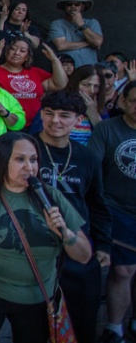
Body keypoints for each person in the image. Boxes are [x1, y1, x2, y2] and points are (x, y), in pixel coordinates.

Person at [0, 132, 91, 343]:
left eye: (33, 160)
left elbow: (84, 256)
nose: (29, 167)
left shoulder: (51, 197)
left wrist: (66, 234)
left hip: (36, 298)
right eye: (20, 159)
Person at [33, 91, 112, 343]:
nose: (55, 120)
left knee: (80, 323)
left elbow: (96, 202)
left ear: (78, 120)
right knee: (32, 326)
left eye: (64, 116)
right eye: (49, 113)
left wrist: (102, 244)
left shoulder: (87, 156)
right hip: (32, 246)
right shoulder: (24, 148)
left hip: (75, 245)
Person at [89, 82, 136, 343]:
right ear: (123, 101)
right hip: (117, 211)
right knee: (122, 271)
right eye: (134, 100)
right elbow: (92, 167)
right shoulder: (107, 129)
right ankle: (115, 327)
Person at [0, 38, 68, 129]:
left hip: (36, 124)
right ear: (7, 51)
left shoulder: (35, 72)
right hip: (7, 123)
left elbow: (60, 84)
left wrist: (54, 60)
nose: (16, 53)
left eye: (22, 51)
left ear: (27, 57)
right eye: (13, 49)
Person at [49, 0, 103, 67]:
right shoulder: (57, 24)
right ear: (65, 6)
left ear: (83, 6)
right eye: (69, 4)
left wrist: (81, 24)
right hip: (66, 72)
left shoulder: (92, 23)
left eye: (77, 4)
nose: (72, 6)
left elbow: (97, 42)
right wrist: (89, 43)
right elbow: (61, 46)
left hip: (90, 70)